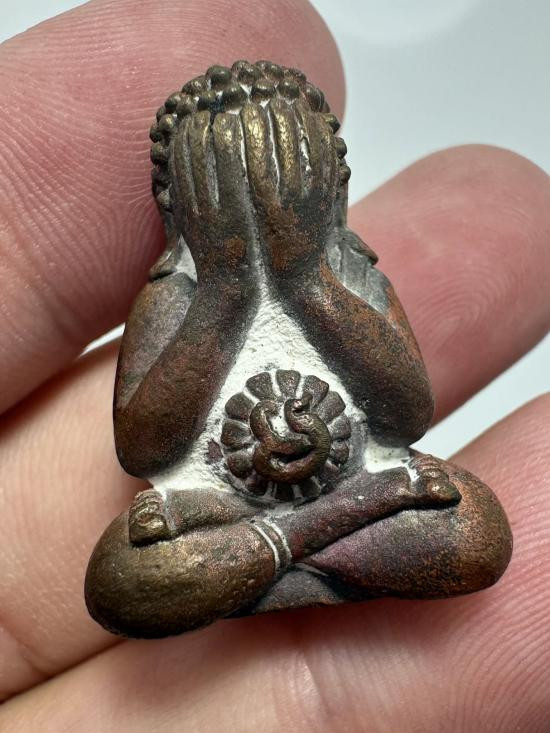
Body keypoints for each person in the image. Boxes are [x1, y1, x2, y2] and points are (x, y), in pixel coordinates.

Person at [0, 0, 548, 729]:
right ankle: (321, 533)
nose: (258, 208)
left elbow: (405, 412)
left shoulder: (347, 271)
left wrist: (307, 281)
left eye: (282, 181)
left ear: (330, 186)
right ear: (180, 203)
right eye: (226, 189)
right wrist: (224, 290)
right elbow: (146, 448)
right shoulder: (176, 293)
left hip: (313, 488)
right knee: (123, 579)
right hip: (243, 503)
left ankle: (273, 555)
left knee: (473, 530)